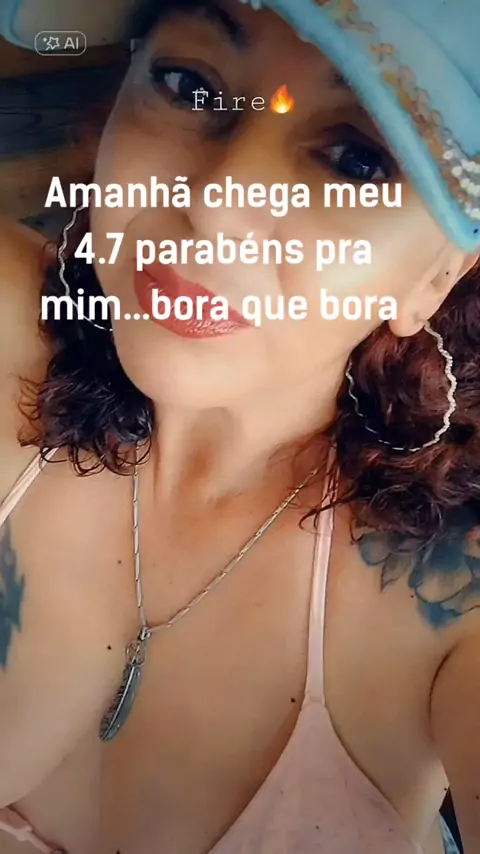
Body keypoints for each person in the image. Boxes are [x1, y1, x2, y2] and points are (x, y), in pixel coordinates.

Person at [0, 0, 479, 851]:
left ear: (436, 276)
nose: (217, 206)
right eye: (190, 85)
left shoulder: (451, 598)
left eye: (358, 160)